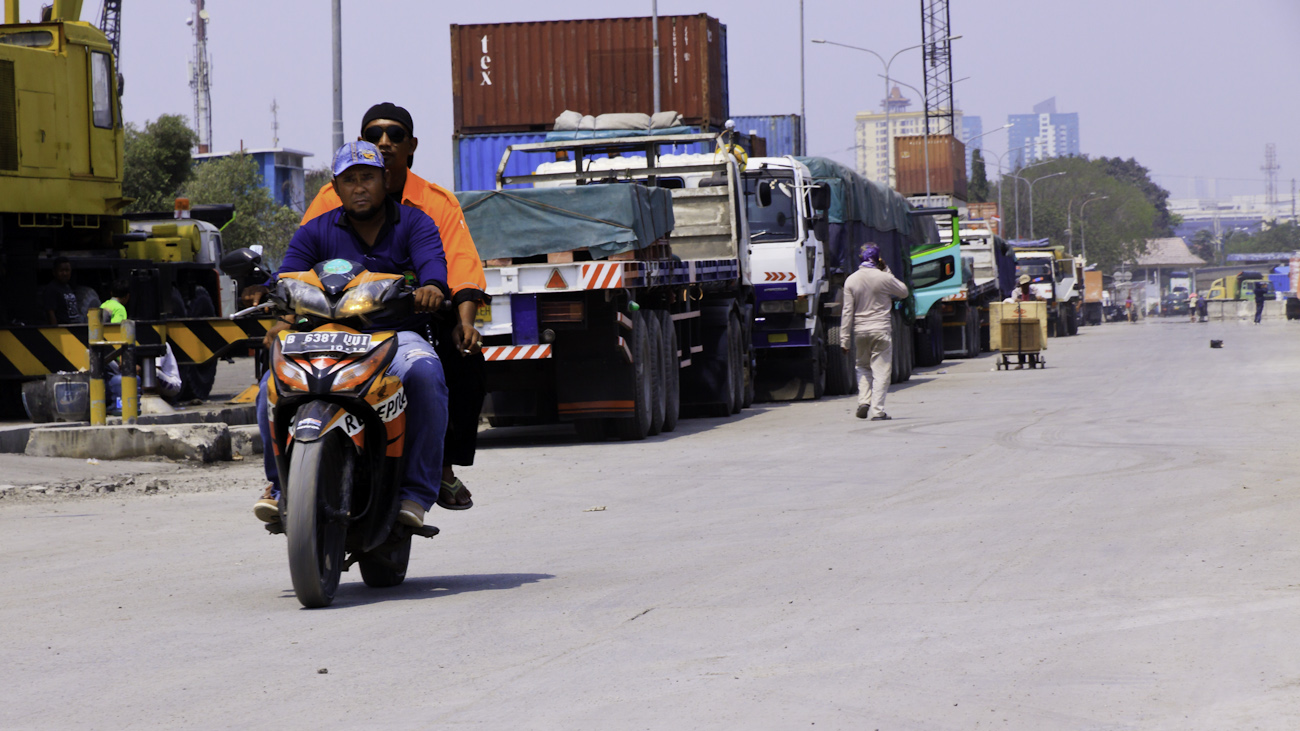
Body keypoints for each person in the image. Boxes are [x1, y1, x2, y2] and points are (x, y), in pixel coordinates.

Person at [250, 140, 450, 529]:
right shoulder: (314, 231)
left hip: (393, 337)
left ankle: (416, 492)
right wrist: (275, 305)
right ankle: (278, 486)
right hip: (322, 335)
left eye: (368, 178)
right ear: (336, 187)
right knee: (268, 389)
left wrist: (432, 288)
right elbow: (289, 276)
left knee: (426, 373)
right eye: (351, 180)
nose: (360, 187)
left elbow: (433, 265)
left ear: (385, 180)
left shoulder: (415, 223)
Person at [301, 102, 485, 511]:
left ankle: (439, 466)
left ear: (410, 146)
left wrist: (462, 319)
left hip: (412, 316)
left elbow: (459, 266)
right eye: (373, 135)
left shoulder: (430, 208)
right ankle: (283, 480)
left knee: (460, 361)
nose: (384, 142)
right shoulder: (327, 202)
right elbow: (296, 263)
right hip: (338, 320)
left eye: (395, 135)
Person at [840, 244, 908, 420]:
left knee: (862, 367)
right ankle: (878, 411)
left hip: (860, 331)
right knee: (881, 371)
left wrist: (844, 340)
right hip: (881, 330)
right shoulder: (883, 277)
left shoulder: (851, 280)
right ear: (878, 259)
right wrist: (886, 270)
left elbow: (847, 312)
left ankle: (864, 401)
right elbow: (904, 292)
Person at [40, 257, 83, 325]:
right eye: (61, 270)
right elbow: (50, 312)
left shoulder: (67, 287)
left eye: (67, 270)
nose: (65, 273)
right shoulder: (51, 289)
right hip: (63, 331)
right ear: (54, 272)